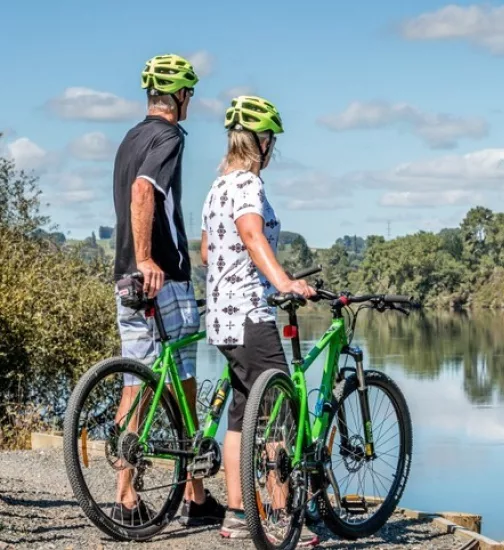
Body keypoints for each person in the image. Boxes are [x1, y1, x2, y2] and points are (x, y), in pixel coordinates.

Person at [111, 53, 226, 527]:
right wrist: (148, 258)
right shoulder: (168, 135)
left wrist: (134, 264)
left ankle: (127, 497)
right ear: (180, 96)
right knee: (182, 382)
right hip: (164, 279)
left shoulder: (130, 137)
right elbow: (143, 191)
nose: (190, 104)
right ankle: (195, 499)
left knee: (135, 381)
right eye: (190, 95)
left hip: (127, 281)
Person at [200, 95, 318, 546]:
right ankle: (281, 515)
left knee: (241, 414)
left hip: (223, 319)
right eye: (271, 140)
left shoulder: (217, 187)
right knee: (279, 415)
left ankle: (235, 512)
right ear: (261, 141)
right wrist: (283, 281)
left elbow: (208, 252)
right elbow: (251, 235)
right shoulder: (247, 185)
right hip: (250, 313)